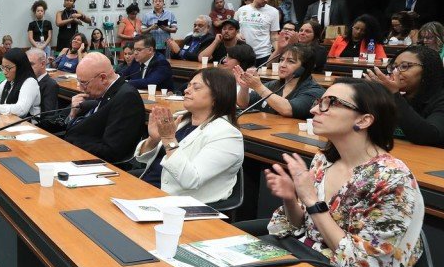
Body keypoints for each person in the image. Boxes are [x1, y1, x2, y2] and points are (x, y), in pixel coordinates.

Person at [263, 80, 424, 267]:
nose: (314, 110)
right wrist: (290, 199)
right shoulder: (324, 160)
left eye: (330, 103)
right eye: (319, 102)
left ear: (364, 120)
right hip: (306, 257)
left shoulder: (393, 179)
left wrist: (311, 200)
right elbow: (304, 226)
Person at [134, 68, 244, 203]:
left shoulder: (228, 135)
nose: (186, 90)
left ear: (217, 96)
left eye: (196, 88)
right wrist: (153, 139)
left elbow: (190, 180)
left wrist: (169, 139)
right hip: (147, 190)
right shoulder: (181, 120)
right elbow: (142, 159)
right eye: (188, 85)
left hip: (179, 205)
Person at [364, 46, 444, 152]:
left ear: (428, 70)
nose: (396, 72)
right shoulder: (401, 98)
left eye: (404, 66)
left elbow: (426, 137)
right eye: (393, 67)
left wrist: (393, 93)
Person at [62, 53, 145, 163]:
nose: (81, 88)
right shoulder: (99, 91)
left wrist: (72, 142)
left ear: (103, 78)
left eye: (84, 83)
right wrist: (72, 115)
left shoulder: (127, 98)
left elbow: (112, 151)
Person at [235, 43, 324, 118]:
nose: (282, 65)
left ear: (304, 67)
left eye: (291, 61)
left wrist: (258, 87)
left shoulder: (315, 91)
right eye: (281, 60)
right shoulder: (273, 85)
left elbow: (287, 110)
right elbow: (243, 104)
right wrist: (244, 88)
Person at [0, 48, 40, 117]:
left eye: (8, 68)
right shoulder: (8, 81)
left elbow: (21, 110)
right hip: (10, 121)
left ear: (20, 67)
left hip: (28, 125)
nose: (4, 72)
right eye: (3, 67)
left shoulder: (30, 82)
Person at [236, 0, 280, 66]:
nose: (266, 0)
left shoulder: (274, 12)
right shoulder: (241, 10)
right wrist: (237, 34)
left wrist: (278, 52)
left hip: (263, 55)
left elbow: (274, 35)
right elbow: (234, 29)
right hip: (243, 54)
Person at [26, 48, 59, 116]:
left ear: (42, 64)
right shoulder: (27, 80)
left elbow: (47, 115)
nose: (27, 68)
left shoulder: (50, 85)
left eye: (31, 64)